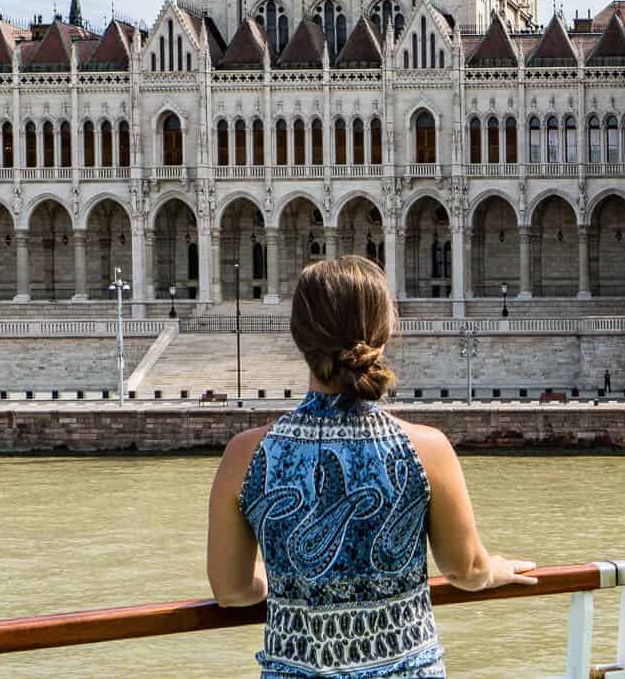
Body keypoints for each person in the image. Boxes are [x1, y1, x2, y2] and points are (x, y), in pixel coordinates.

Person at [206, 256, 534, 676]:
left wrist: (294, 581)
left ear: (298, 335)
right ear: (384, 332)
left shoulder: (246, 455)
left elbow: (231, 591)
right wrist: (495, 571)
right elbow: (465, 569)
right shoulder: (425, 449)